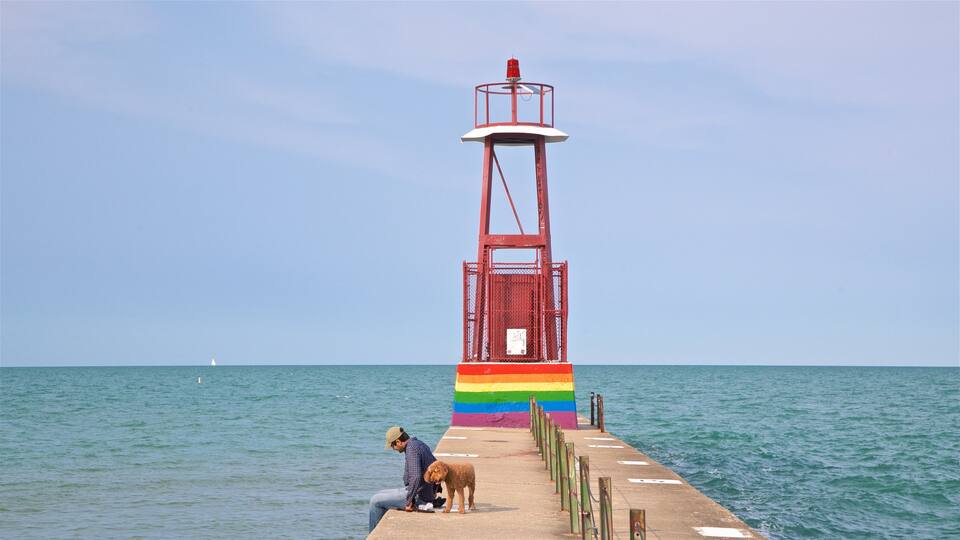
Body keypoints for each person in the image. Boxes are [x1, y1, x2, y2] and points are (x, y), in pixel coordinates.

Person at [368, 426, 445, 532]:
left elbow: (416, 476)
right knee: (379, 493)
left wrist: (409, 501)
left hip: (418, 497)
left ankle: (373, 534)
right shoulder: (419, 444)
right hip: (422, 492)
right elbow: (436, 465)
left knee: (375, 501)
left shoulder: (411, 449)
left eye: (392, 445)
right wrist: (434, 490)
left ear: (398, 442)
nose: (393, 449)